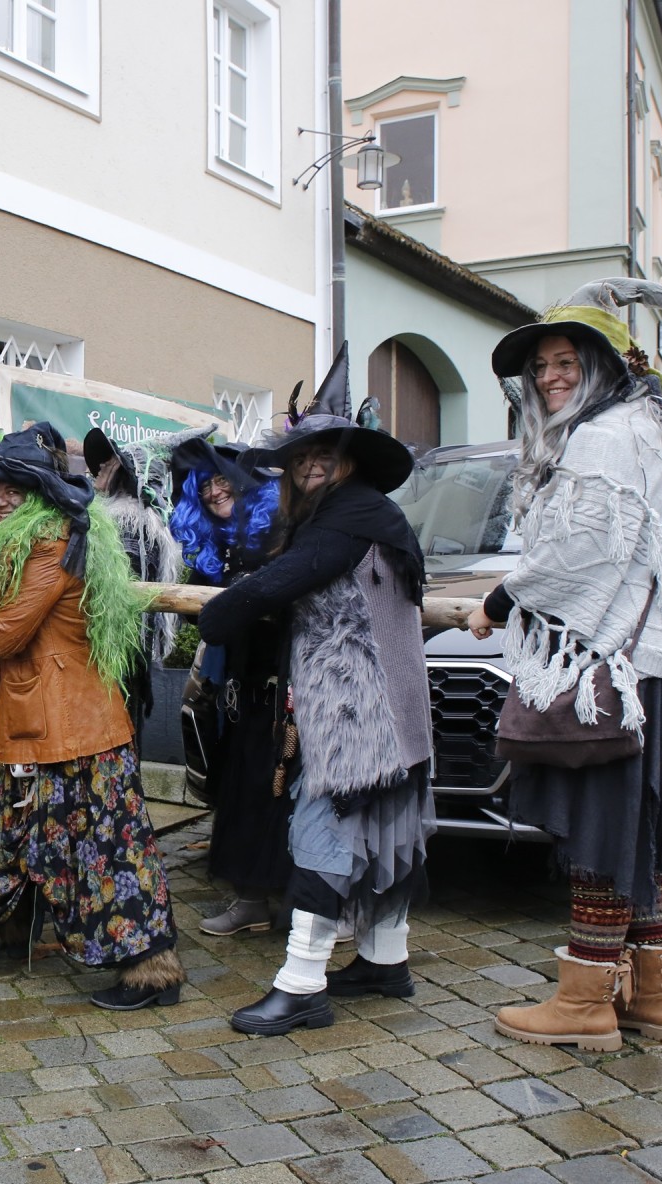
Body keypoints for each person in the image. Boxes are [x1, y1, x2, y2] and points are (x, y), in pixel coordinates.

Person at [477, 279, 662, 1051]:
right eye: (541, 367)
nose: (550, 376)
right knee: (637, 828)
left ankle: (587, 1000)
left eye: (567, 361)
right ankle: (655, 995)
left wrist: (498, 603)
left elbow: (575, 558)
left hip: (620, 678)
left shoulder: (601, 439)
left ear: (603, 367)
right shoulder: (642, 430)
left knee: (603, 826)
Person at [196, 348, 433, 1036]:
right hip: (387, 704)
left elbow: (279, 583)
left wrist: (218, 615)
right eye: (299, 458)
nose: (309, 465)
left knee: (320, 832)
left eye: (323, 453)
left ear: (349, 460)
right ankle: (386, 961)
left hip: (359, 711)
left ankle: (302, 984)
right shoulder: (355, 516)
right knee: (382, 829)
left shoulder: (350, 516)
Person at [0, 426, 180, 1011]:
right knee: (7, 832)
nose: (0, 501)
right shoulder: (27, 542)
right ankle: (3, 932)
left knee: (107, 849)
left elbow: (3, 633)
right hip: (32, 721)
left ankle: (150, 972)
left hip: (75, 729)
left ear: (44, 493)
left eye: (14, 491)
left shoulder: (52, 543)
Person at [171, 435, 289, 936]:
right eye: (205, 485)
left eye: (224, 481)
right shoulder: (214, 551)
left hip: (288, 687)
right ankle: (251, 900)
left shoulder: (281, 534)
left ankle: (305, 904)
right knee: (240, 790)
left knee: (284, 794)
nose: (216, 492)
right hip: (238, 690)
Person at [84, 428, 181, 739]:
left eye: (109, 462)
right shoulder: (119, 516)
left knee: (115, 723)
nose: (100, 468)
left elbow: (119, 586)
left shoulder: (129, 521)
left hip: (113, 645)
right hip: (112, 646)